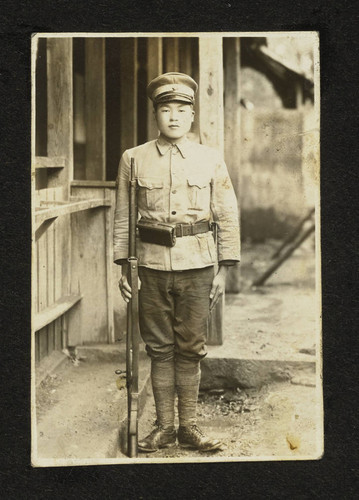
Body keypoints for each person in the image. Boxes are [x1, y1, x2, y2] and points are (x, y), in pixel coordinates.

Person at [113, 72, 240, 453]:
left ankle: (190, 427)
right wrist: (124, 267)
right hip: (149, 267)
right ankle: (164, 428)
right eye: (165, 109)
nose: (173, 116)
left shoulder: (210, 159)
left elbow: (227, 215)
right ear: (155, 115)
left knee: (191, 347)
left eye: (181, 110)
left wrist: (224, 270)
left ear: (192, 116)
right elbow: (123, 218)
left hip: (199, 267)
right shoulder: (133, 160)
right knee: (159, 348)